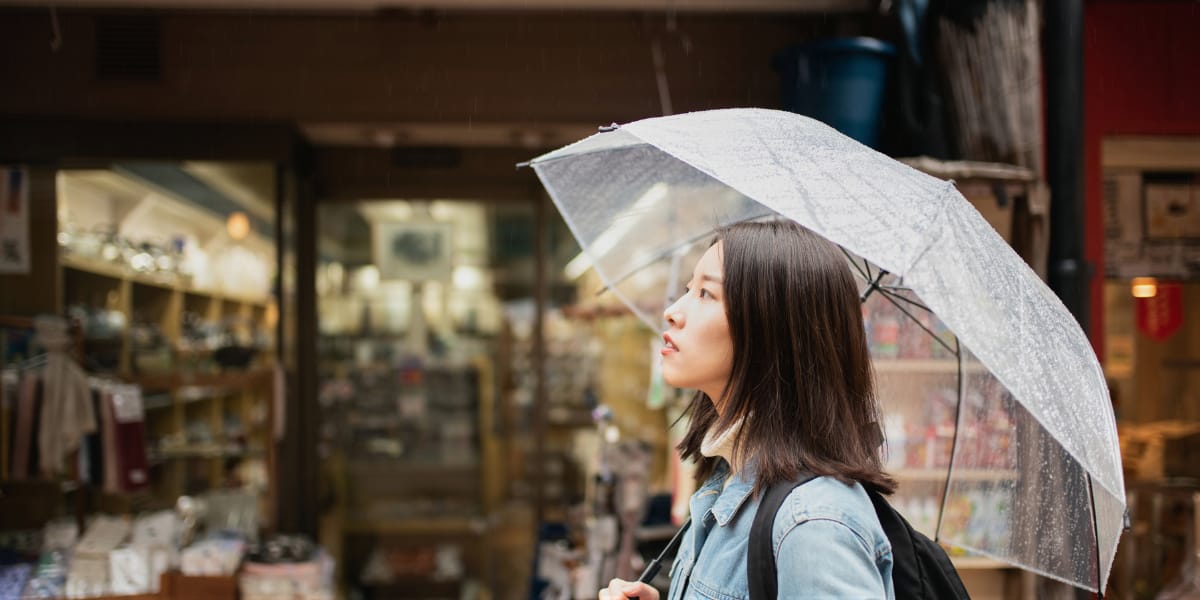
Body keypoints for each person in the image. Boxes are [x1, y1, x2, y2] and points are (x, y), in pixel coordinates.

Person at [600, 220, 897, 600]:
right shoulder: (729, 480)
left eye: (706, 294)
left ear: (770, 328)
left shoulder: (814, 524)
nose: (673, 311)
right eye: (689, 288)